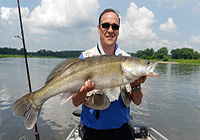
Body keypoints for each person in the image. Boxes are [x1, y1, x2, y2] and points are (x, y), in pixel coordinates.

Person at [72, 8, 147, 140]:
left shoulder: (128, 60)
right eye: (106, 25)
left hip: (122, 131)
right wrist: (83, 91)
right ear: (99, 28)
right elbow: (75, 102)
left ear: (118, 30)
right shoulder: (85, 57)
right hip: (92, 132)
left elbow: (138, 101)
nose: (110, 30)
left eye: (115, 26)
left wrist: (136, 85)